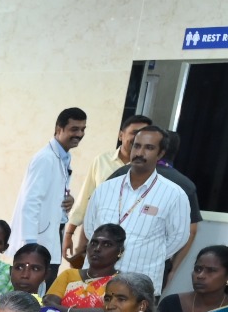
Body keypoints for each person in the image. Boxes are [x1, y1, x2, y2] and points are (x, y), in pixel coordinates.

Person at [83, 125, 190, 294]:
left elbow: (178, 238)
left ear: (161, 154)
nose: (140, 153)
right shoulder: (105, 188)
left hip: (139, 284)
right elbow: (90, 229)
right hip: (95, 281)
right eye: (137, 146)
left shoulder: (174, 194)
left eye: (149, 148)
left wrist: (146, 254)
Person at [105, 129, 202, 283]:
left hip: (108, 260)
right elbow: (191, 231)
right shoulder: (185, 185)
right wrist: (172, 269)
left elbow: (97, 213)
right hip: (153, 270)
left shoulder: (123, 173)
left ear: (161, 150)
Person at [65, 114, 151, 266]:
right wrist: (69, 233)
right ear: (121, 135)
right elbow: (86, 198)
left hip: (132, 246)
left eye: (143, 134)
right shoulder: (102, 161)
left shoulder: (150, 169)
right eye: (134, 133)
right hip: (99, 241)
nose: (138, 138)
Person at [13, 107, 87, 283]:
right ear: (58, 129)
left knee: (46, 286)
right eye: (74, 129)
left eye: (82, 129)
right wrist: (30, 246)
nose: (79, 134)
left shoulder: (63, 157)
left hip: (52, 237)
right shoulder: (45, 158)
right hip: (38, 242)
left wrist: (67, 199)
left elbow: (51, 192)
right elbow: (30, 202)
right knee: (35, 290)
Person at [45, 223, 126, 312]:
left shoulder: (121, 283)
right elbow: (48, 306)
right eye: (94, 243)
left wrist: (64, 311)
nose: (97, 249)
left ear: (120, 251)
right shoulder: (69, 275)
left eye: (107, 244)